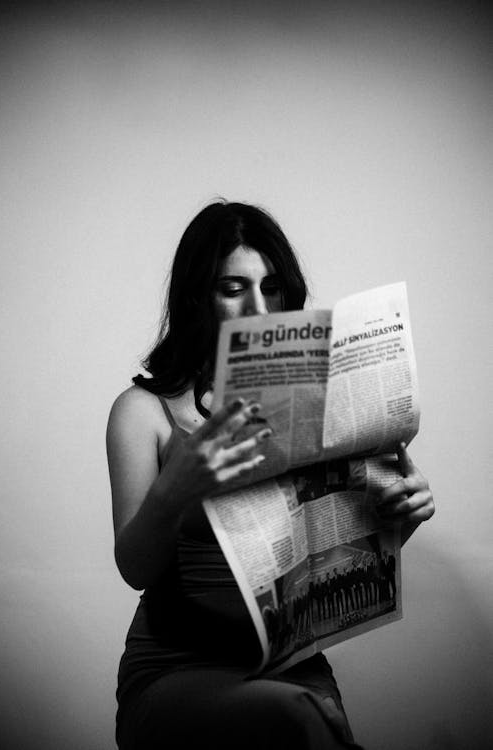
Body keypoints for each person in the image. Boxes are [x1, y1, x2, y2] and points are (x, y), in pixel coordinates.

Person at [106, 200, 435, 749]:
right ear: (197, 297)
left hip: (292, 663)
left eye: (273, 287)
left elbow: (338, 543)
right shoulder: (144, 411)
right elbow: (134, 568)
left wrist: (403, 510)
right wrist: (177, 487)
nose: (259, 307)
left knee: (307, 717)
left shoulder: (315, 405)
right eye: (233, 288)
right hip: (176, 670)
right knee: (301, 721)